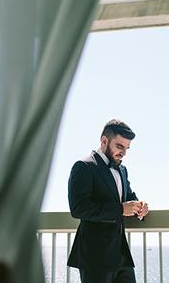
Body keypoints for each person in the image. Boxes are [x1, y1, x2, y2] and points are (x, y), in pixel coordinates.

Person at [67, 119, 149, 283]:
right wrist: (120, 210)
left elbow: (129, 197)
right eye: (120, 146)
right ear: (104, 141)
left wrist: (140, 207)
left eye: (127, 148)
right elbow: (78, 208)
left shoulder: (122, 170)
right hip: (94, 257)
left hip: (121, 255)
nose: (124, 153)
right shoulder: (83, 166)